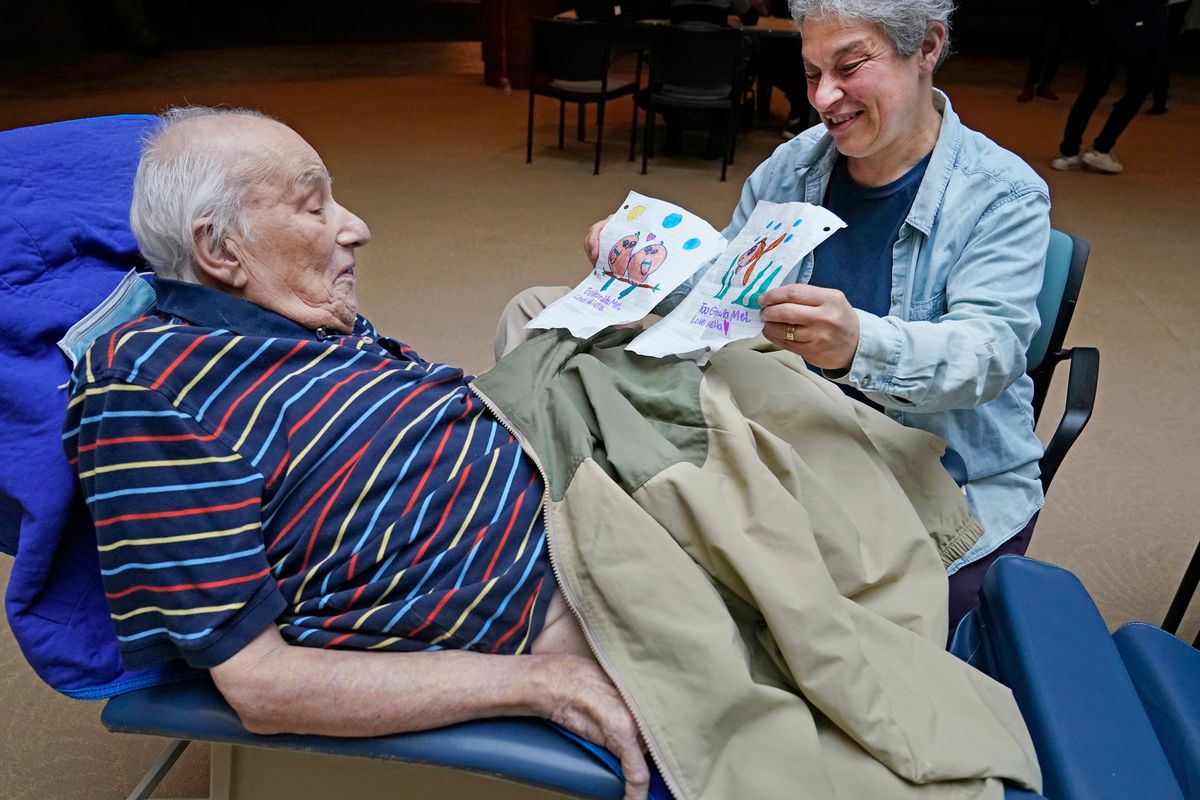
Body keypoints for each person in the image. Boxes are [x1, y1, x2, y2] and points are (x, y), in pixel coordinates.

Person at [65, 107, 1042, 800]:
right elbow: (260, 682)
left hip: (565, 467)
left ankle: (875, 541)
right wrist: (534, 681)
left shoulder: (292, 320)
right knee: (882, 733)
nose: (354, 225)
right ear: (219, 250)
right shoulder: (147, 392)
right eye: (316, 206)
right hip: (574, 575)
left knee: (676, 333)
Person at [567, 0, 1050, 626]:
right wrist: (645, 265)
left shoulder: (1001, 195)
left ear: (927, 47)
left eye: (850, 66)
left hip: (939, 478)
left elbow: (991, 352)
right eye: (810, 72)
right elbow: (724, 297)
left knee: (829, 641)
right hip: (794, 446)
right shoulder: (795, 166)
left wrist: (859, 345)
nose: (824, 98)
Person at [1050, 0, 1167, 173]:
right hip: (1144, 22)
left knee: (1092, 90)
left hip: (1107, 20)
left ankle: (1068, 152)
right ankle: (1102, 148)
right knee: (1138, 89)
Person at [1147, 0, 1193, 114]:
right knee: (1156, 50)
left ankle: (1160, 100)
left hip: (1170, 6)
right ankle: (1157, 99)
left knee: (1159, 51)